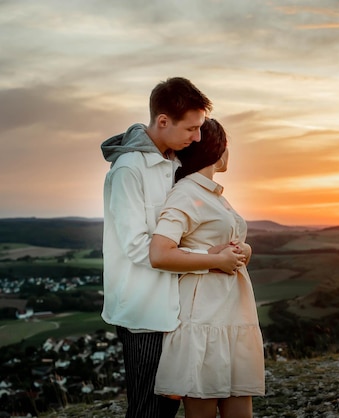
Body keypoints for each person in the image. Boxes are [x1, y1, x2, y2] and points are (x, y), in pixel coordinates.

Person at [101, 77, 246, 418]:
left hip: (178, 307)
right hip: (145, 309)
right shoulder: (128, 171)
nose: (197, 137)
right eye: (191, 128)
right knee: (150, 409)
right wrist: (210, 260)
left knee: (170, 402)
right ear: (163, 121)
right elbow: (139, 248)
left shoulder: (175, 163)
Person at [150, 118, 265, 418]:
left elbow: (231, 248)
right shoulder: (186, 193)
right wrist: (215, 259)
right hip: (204, 316)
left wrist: (245, 250)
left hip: (233, 315)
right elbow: (160, 253)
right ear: (219, 150)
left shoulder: (215, 195)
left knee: (241, 410)